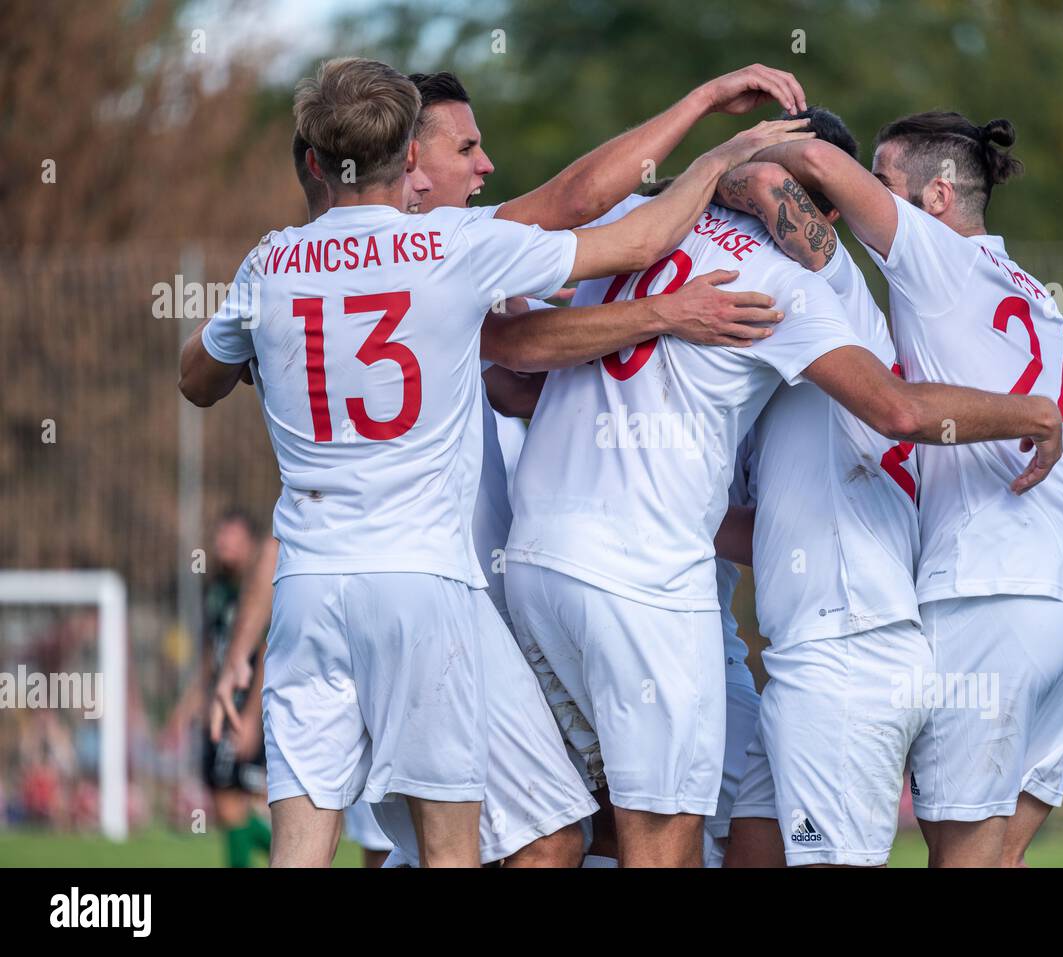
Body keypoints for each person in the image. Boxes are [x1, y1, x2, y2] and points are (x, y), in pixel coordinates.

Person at [181, 55, 815, 866]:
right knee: (464, 848)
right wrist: (721, 156)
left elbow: (195, 378)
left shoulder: (269, 264)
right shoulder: (449, 247)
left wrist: (255, 354)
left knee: (299, 850)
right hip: (423, 586)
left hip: (311, 588)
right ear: (408, 160)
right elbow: (641, 235)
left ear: (313, 162)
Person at [504, 160, 1063, 866]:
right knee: (670, 834)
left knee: (616, 830)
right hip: (774, 636)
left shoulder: (658, 234)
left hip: (847, 650)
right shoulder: (804, 297)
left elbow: (514, 380)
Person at [744, 111, 1063, 866]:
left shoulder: (941, 262)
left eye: (883, 183)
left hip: (989, 592)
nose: (871, 202)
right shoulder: (1034, 292)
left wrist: (729, 158)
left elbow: (813, 157)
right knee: (999, 857)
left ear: (938, 196)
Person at [710, 108, 932, 867]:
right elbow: (761, 523)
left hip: (848, 654)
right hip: (810, 657)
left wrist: (683, 185)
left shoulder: (827, 276)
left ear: (826, 210)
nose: (737, 190)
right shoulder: (777, 333)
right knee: (754, 853)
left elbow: (768, 178)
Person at [169, 510, 271, 867]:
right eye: (220, 537)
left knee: (237, 806)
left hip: (245, 710)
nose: (221, 544)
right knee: (228, 808)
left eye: (231, 537)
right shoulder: (216, 592)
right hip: (220, 709)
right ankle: (301, 853)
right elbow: (211, 659)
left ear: (252, 544)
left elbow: (266, 654)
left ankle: (303, 854)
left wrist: (252, 718)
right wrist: (185, 709)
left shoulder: (260, 593)